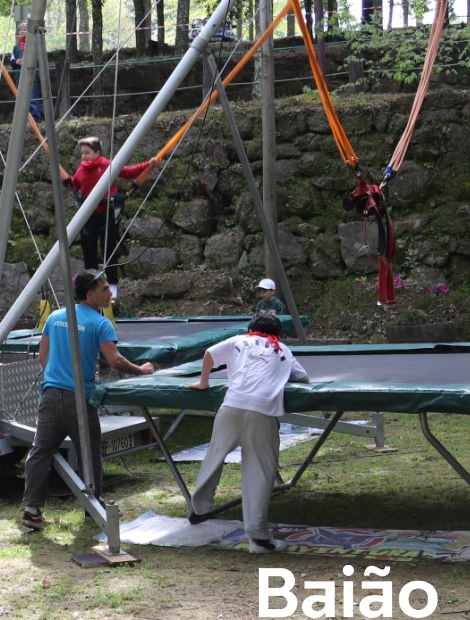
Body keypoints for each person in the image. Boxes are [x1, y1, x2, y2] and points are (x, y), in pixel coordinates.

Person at [18, 272, 155, 531]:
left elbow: (42, 358)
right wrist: (143, 370)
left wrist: (58, 375)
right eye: (104, 289)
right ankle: (93, 507)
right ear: (90, 294)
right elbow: (115, 360)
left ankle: (31, 511)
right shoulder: (100, 323)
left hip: (49, 395)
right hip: (79, 398)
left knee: (39, 452)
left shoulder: (55, 317)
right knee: (89, 454)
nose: (110, 293)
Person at [185, 311, 310, 553]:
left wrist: (204, 383)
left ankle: (199, 508)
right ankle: (258, 538)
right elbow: (304, 379)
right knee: (259, 471)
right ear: (278, 333)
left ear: (250, 328)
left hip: (231, 406)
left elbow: (209, 353)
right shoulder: (282, 349)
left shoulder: (237, 341)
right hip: (262, 412)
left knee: (214, 455)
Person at [62, 136, 155, 305]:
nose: (84, 156)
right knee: (89, 256)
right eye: (82, 153)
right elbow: (75, 184)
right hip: (88, 218)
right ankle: (90, 293)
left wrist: (148, 165)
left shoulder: (107, 165)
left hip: (107, 216)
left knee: (109, 255)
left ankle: (112, 291)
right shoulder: (81, 169)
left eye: (87, 153)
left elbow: (128, 171)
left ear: (97, 152)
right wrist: (67, 180)